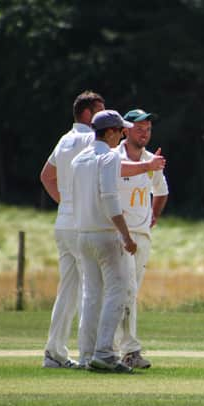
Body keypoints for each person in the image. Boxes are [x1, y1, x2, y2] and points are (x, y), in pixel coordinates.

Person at [39, 90, 104, 368]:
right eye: (100, 112)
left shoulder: (65, 139)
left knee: (68, 289)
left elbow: (46, 176)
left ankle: (54, 352)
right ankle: (90, 353)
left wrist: (66, 204)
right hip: (80, 226)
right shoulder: (92, 139)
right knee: (92, 287)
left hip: (63, 223)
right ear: (88, 114)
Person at [72, 110, 137, 373]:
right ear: (109, 132)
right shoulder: (109, 157)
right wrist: (126, 235)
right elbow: (110, 198)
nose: (122, 135)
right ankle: (105, 352)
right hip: (104, 234)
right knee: (118, 291)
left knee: (92, 295)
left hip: (83, 234)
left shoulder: (79, 159)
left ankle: (87, 354)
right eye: (120, 131)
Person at [113, 109, 169, 369]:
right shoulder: (114, 157)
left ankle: (118, 350)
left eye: (148, 128)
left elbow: (161, 190)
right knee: (123, 290)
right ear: (125, 130)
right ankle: (126, 350)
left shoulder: (151, 160)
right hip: (118, 234)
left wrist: (153, 216)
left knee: (130, 293)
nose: (144, 133)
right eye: (139, 128)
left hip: (142, 236)